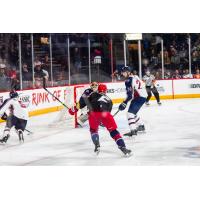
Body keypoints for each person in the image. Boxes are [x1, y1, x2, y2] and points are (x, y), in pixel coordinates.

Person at [86, 84, 131, 156]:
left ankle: (97, 145)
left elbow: (86, 103)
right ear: (105, 91)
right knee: (113, 131)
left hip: (93, 115)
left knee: (93, 130)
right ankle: (123, 148)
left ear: (98, 90)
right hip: (106, 115)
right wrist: (103, 121)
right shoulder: (109, 100)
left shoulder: (93, 94)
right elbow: (106, 113)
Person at [118, 66, 147, 137]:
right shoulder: (135, 76)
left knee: (129, 114)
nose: (122, 74)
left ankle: (133, 131)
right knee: (133, 113)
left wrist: (124, 102)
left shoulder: (128, 81)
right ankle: (141, 126)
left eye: (124, 72)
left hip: (139, 97)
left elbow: (130, 95)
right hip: (141, 96)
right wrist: (125, 101)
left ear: (128, 72)